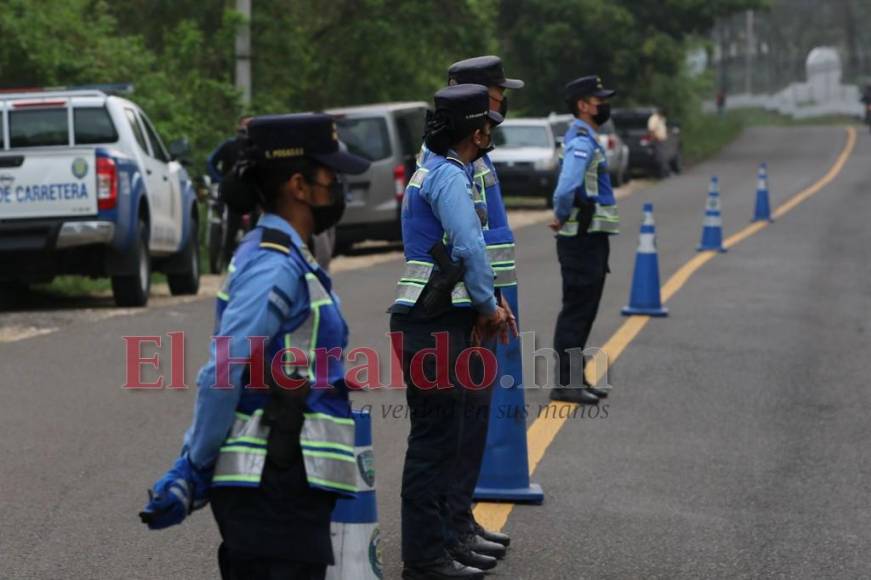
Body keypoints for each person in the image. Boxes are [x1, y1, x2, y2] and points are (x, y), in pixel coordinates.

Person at [140, 113, 370, 580]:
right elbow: (224, 370)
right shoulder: (272, 265)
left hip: (289, 482)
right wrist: (194, 464)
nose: (338, 187)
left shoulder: (289, 257)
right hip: (273, 483)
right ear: (299, 186)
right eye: (331, 176)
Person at [389, 84, 513, 580]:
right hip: (433, 323)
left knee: (442, 442)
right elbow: (469, 247)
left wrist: (487, 305)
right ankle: (425, 560)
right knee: (433, 447)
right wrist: (490, 307)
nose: (489, 135)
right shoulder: (446, 178)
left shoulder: (441, 171)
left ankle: (443, 544)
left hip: (435, 321)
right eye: (487, 127)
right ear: (477, 132)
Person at [434, 55, 521, 567]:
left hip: (491, 299)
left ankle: (461, 520)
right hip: (471, 305)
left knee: (478, 418)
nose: (502, 99)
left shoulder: (478, 154)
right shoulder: (453, 163)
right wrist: (483, 304)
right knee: (460, 424)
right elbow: (464, 243)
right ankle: (450, 530)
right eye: (495, 90)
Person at [549, 75, 620, 405]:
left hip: (590, 237)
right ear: (582, 105)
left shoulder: (588, 139)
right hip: (581, 237)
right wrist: (562, 214)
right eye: (597, 99)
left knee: (585, 310)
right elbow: (566, 188)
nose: (603, 104)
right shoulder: (580, 141)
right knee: (577, 311)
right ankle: (566, 383)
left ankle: (576, 378)